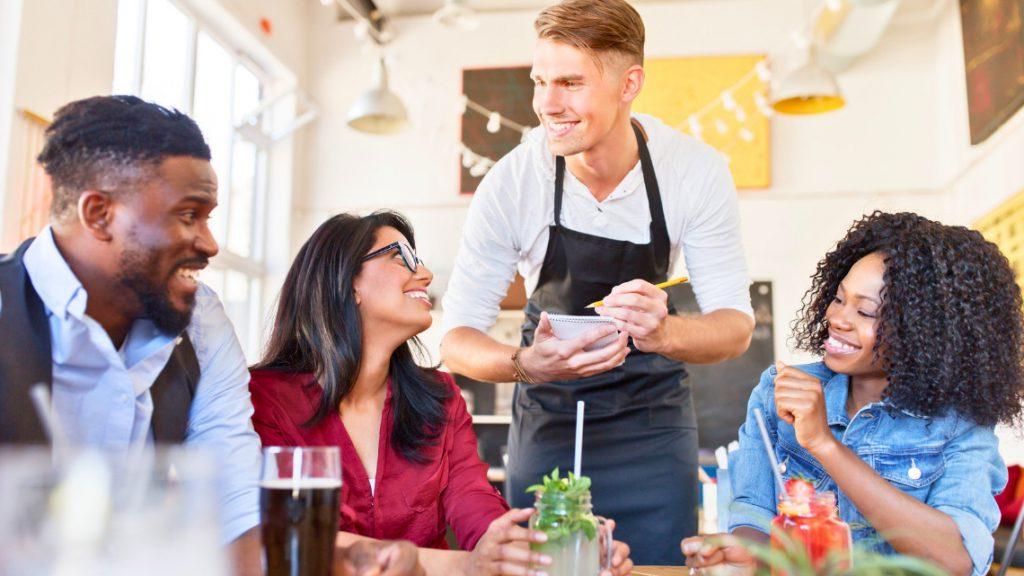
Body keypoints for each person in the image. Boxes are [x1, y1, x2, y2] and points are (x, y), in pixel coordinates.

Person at [0, 95, 419, 576]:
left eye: (209, 217)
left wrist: (336, 560)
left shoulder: (201, 320)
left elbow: (236, 505)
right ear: (99, 214)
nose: (209, 243)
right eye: (187, 215)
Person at [439, 0, 754, 564]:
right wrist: (523, 365)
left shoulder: (694, 172)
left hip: (652, 422)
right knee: (550, 564)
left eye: (569, 82)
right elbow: (455, 339)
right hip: (551, 417)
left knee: (656, 562)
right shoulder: (512, 182)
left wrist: (664, 334)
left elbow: (734, 328)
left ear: (629, 83)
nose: (547, 104)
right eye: (539, 81)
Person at [249, 211, 633, 576]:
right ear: (347, 282)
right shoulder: (262, 399)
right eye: (401, 257)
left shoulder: (440, 397)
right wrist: (464, 567)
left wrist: (550, 550)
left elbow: (476, 506)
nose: (426, 274)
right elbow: (288, 537)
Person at [682, 211, 1024, 576]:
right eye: (839, 298)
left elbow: (956, 560)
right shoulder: (777, 392)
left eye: (865, 311)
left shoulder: (960, 424)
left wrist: (825, 444)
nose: (839, 318)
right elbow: (753, 514)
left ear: (927, 333)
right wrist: (750, 557)